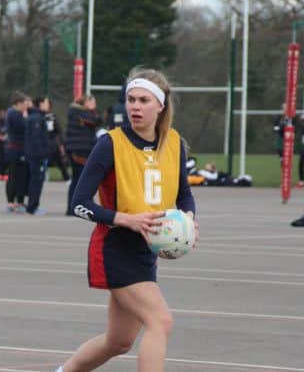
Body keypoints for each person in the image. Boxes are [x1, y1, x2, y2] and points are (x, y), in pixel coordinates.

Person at [55, 69, 199, 372]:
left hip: (146, 251)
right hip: (115, 248)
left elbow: (184, 194)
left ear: (160, 105)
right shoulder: (110, 144)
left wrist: (188, 220)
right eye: (131, 99)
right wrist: (126, 219)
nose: (134, 106)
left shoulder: (174, 143)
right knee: (160, 321)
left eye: (143, 100)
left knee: (119, 341)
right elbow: (78, 203)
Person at [65, 94, 102, 215]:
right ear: (86, 103)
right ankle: (77, 206)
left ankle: (76, 206)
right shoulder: (80, 114)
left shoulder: (77, 113)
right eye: (92, 102)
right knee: (81, 179)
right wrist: (93, 111)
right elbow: (97, 120)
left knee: (78, 179)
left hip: (78, 149)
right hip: (80, 150)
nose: (94, 105)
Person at [25, 98, 49, 215]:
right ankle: (32, 207)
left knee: (36, 180)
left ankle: (32, 205)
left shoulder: (39, 117)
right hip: (36, 156)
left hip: (35, 155)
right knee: (36, 181)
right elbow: (36, 139)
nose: (48, 105)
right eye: (46, 103)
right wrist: (42, 154)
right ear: (40, 104)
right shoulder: (36, 118)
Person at [5, 91, 29, 213]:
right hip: (15, 149)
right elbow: (23, 127)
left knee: (22, 176)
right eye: (25, 103)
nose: (26, 106)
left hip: (22, 149)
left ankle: (20, 201)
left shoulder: (18, 114)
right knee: (13, 176)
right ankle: (10, 202)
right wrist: (26, 119)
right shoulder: (13, 114)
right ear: (18, 103)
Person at [37, 97, 70, 182]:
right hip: (42, 145)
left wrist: (61, 145)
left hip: (52, 144)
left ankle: (67, 179)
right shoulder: (37, 116)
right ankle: (42, 175)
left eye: (48, 103)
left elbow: (58, 131)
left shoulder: (52, 117)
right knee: (42, 161)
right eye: (45, 103)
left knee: (60, 161)